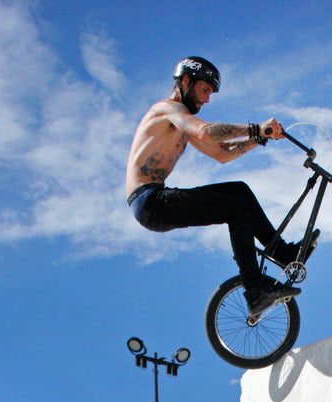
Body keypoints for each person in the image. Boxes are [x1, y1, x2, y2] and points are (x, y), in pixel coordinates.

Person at [125, 56, 316, 318]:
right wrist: (255, 128)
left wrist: (260, 137)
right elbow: (206, 131)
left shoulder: (183, 122)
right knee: (235, 208)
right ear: (185, 81)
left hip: (154, 200)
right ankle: (255, 290)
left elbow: (222, 154)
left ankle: (283, 253)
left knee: (239, 191)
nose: (206, 100)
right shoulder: (168, 109)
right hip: (149, 201)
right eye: (205, 90)